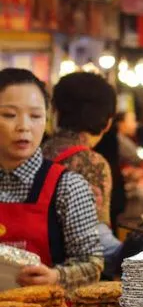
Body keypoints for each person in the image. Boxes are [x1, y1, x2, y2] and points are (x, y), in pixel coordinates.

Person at [0, 68, 102, 290]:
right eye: (9, 115)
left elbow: (93, 265)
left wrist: (56, 277)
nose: (24, 127)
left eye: (35, 116)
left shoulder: (68, 187)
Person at [43, 71, 121, 276]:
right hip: (69, 279)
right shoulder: (92, 163)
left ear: (55, 111)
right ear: (108, 122)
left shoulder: (37, 151)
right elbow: (97, 239)